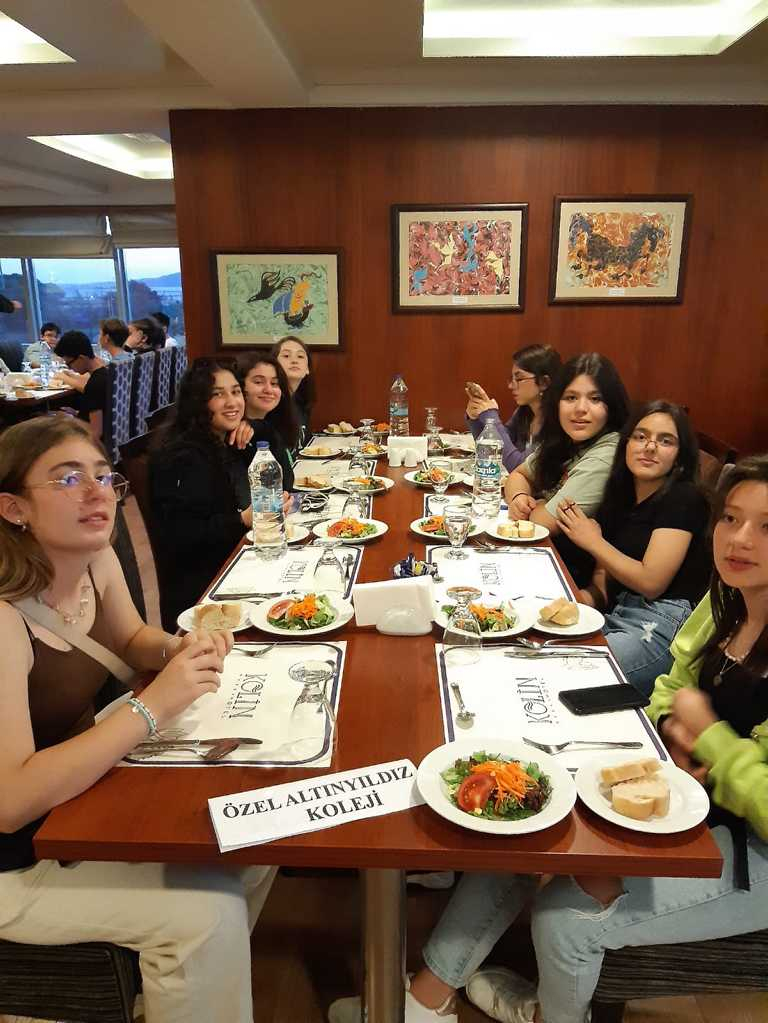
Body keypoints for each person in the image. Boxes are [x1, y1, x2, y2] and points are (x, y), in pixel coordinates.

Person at [442, 453, 768, 1023]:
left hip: (755, 847)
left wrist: (710, 740)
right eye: (731, 518)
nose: (739, 539)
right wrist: (674, 732)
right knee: (534, 812)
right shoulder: (727, 602)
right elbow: (673, 684)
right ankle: (430, 991)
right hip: (696, 801)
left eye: (766, 526)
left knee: (563, 919)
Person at [0, 414, 275, 1023]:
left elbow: (130, 639)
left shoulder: (92, 557)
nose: (96, 493)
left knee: (255, 828)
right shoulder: (4, 620)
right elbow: (10, 802)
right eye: (67, 478)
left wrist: (176, 650)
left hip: (71, 793)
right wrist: (153, 707)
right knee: (207, 915)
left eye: (103, 475)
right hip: (15, 856)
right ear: (13, 508)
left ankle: (179, 990)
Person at [556, 401, 710, 695]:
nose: (649, 447)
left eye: (665, 441)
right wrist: (580, 601)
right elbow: (604, 576)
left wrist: (592, 541)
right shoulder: (622, 496)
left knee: (568, 674)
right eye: (640, 436)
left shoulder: (684, 498)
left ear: (680, 457)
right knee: (538, 647)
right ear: (626, 444)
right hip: (619, 611)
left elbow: (651, 582)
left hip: (661, 624)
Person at [148, 357, 257, 630]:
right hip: (203, 596)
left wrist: (251, 429)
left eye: (235, 392)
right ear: (197, 402)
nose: (232, 402)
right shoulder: (183, 456)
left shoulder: (224, 441)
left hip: (234, 566)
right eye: (218, 395)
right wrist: (242, 520)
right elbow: (182, 535)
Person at [503, 353, 630, 586]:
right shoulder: (564, 440)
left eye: (595, 399)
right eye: (571, 397)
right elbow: (518, 474)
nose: (580, 409)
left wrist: (537, 505)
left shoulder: (608, 451)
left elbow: (541, 524)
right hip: (545, 556)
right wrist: (519, 497)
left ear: (611, 405)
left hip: (576, 577)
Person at [465, 344, 562, 472]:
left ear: (544, 382)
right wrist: (476, 419)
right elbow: (492, 450)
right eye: (512, 378)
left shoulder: (558, 422)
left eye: (519, 378)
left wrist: (491, 418)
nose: (511, 386)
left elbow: (519, 466)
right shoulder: (525, 412)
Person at [240, 352, 297, 491]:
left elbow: (286, 483)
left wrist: (261, 427)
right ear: (240, 386)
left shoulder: (271, 426)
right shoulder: (238, 434)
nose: (268, 389)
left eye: (274, 383)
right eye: (258, 382)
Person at [53, 330, 107, 442]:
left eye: (69, 363)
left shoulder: (94, 384)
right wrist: (76, 413)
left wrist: (70, 420)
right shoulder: (105, 372)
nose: (69, 368)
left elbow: (96, 432)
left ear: (81, 358)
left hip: (94, 444)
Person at [271, 335, 315, 451]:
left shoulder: (301, 402)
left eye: (300, 356)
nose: (294, 361)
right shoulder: (269, 402)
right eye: (286, 356)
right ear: (274, 364)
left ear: (307, 369)